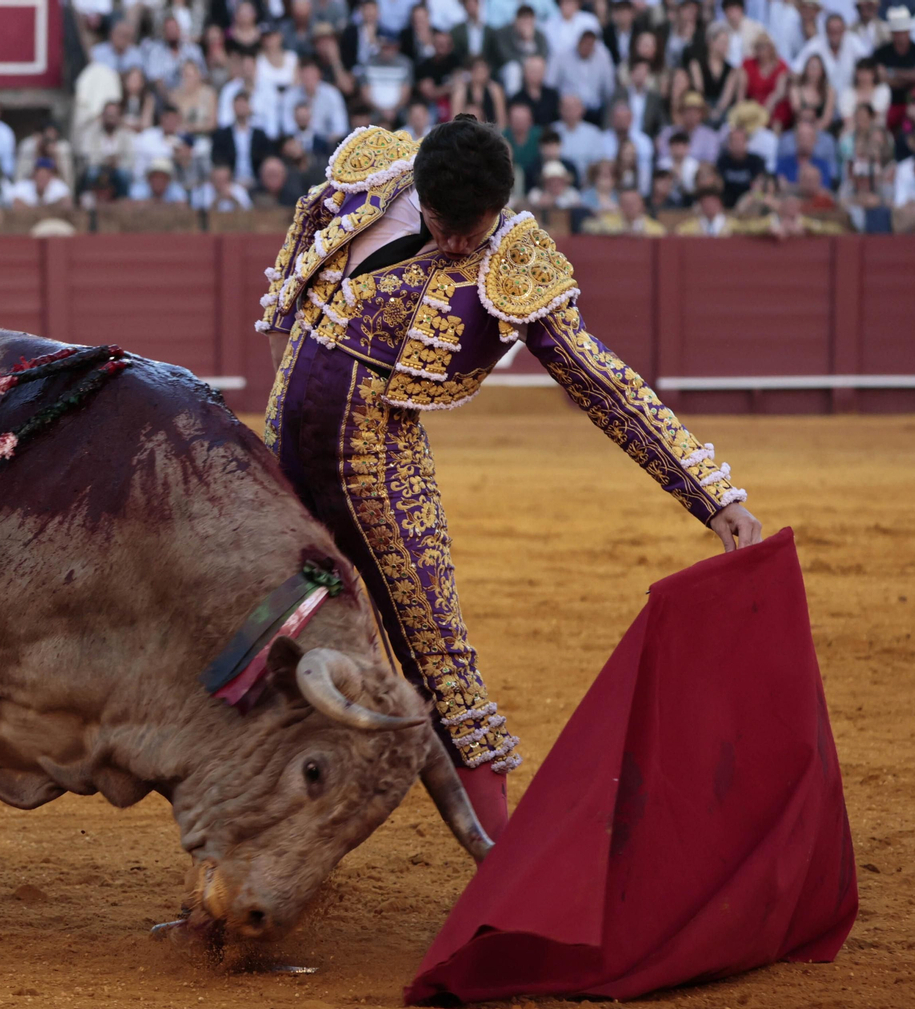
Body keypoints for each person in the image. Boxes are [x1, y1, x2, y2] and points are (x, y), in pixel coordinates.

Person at [255, 119, 761, 835]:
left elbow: (602, 384)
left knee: (442, 665)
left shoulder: (513, 264)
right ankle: (239, 845)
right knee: (251, 634)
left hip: (381, 474)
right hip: (284, 457)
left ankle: (498, 870)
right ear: (418, 192)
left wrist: (712, 496)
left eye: (475, 228)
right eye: (442, 224)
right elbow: (294, 268)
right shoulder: (371, 177)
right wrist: (286, 359)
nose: (459, 243)